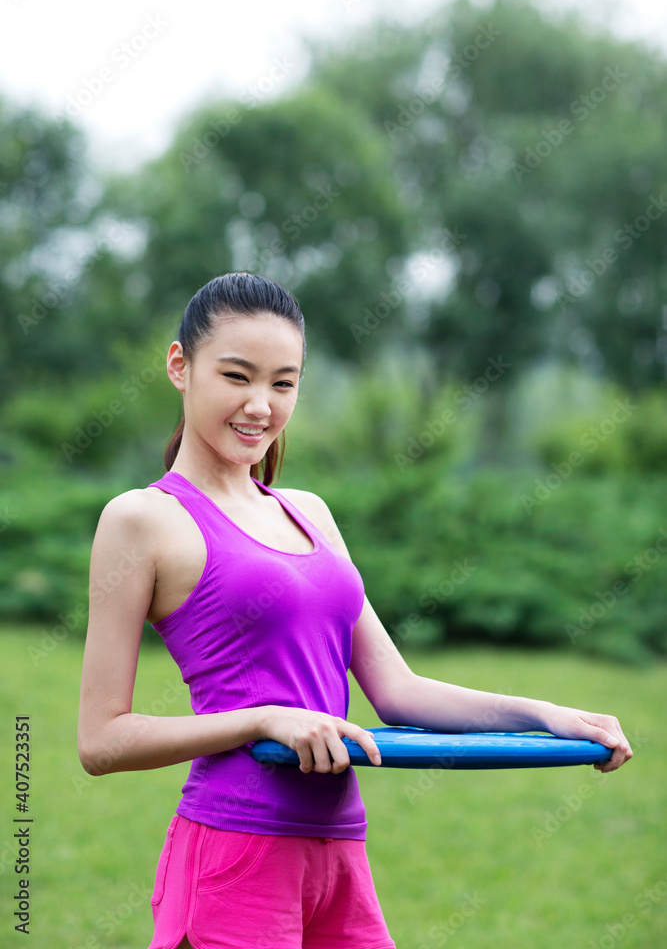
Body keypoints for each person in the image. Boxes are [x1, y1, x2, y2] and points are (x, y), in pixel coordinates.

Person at [77, 272, 632, 949]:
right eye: (236, 376)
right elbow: (101, 742)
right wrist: (261, 720)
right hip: (236, 852)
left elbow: (398, 692)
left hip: (338, 851)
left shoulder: (307, 513)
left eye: (283, 383)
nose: (260, 405)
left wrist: (544, 716)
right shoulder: (142, 520)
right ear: (179, 366)